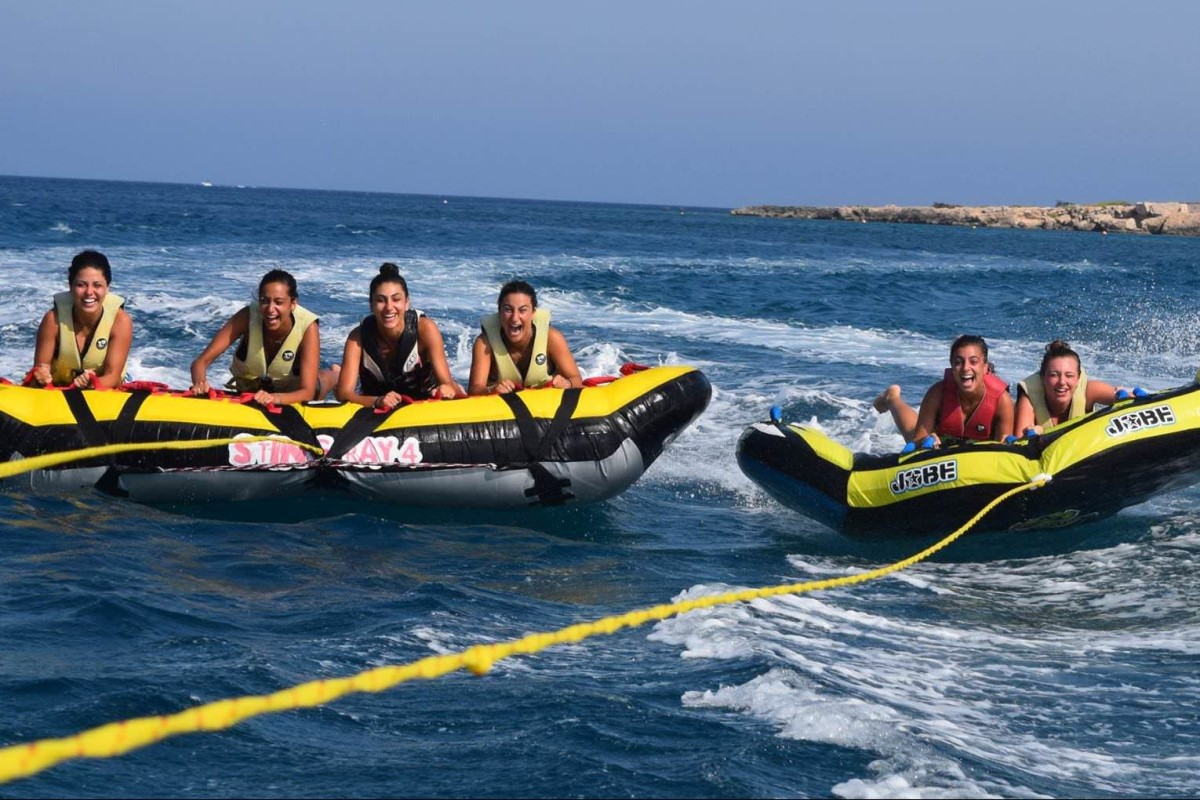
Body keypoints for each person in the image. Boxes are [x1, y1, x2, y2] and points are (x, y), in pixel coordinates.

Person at [189, 269, 336, 406]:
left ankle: (336, 373)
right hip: (253, 388)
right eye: (265, 301)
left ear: (293, 303)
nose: (270, 309)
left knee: (318, 385)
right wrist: (200, 384)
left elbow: (307, 392)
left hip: (292, 391)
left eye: (279, 302)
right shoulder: (246, 316)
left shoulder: (308, 327)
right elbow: (200, 362)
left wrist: (275, 398)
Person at [336, 262, 464, 410]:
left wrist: (445, 389)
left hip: (423, 398)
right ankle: (336, 373)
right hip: (378, 402)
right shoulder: (357, 338)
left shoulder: (425, 329)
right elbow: (343, 394)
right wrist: (378, 401)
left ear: (406, 303)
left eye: (396, 299)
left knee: (455, 388)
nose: (389, 307)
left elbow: (445, 382)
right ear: (371, 305)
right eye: (380, 300)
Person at [873, 334, 1013, 447]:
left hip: (980, 455)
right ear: (951, 367)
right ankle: (892, 398)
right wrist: (924, 441)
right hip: (942, 445)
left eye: (973, 361)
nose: (965, 368)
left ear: (985, 367)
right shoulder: (937, 394)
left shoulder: (1002, 400)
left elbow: (1003, 451)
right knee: (912, 435)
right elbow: (918, 440)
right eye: (958, 362)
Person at [29, 249, 133, 389]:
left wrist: (91, 384)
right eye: (81, 285)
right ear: (70, 287)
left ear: (107, 288)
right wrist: (40, 377)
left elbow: (113, 376)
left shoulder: (120, 321)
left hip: (107, 389)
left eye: (97, 285)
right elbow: (37, 373)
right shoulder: (52, 320)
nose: (89, 292)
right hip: (63, 386)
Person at [468, 280, 583, 395]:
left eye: (522, 310)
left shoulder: (552, 338)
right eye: (508, 309)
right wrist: (491, 390)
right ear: (499, 312)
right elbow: (474, 390)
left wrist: (568, 384)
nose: (514, 318)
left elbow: (576, 378)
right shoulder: (484, 344)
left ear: (533, 313)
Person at [1013, 339, 1125, 436]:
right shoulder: (1029, 399)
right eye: (1054, 375)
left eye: (1069, 376)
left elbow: (1122, 397)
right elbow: (1020, 443)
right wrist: (1037, 432)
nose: (1062, 382)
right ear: (1043, 377)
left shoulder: (1089, 391)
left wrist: (1124, 395)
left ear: (1078, 378)